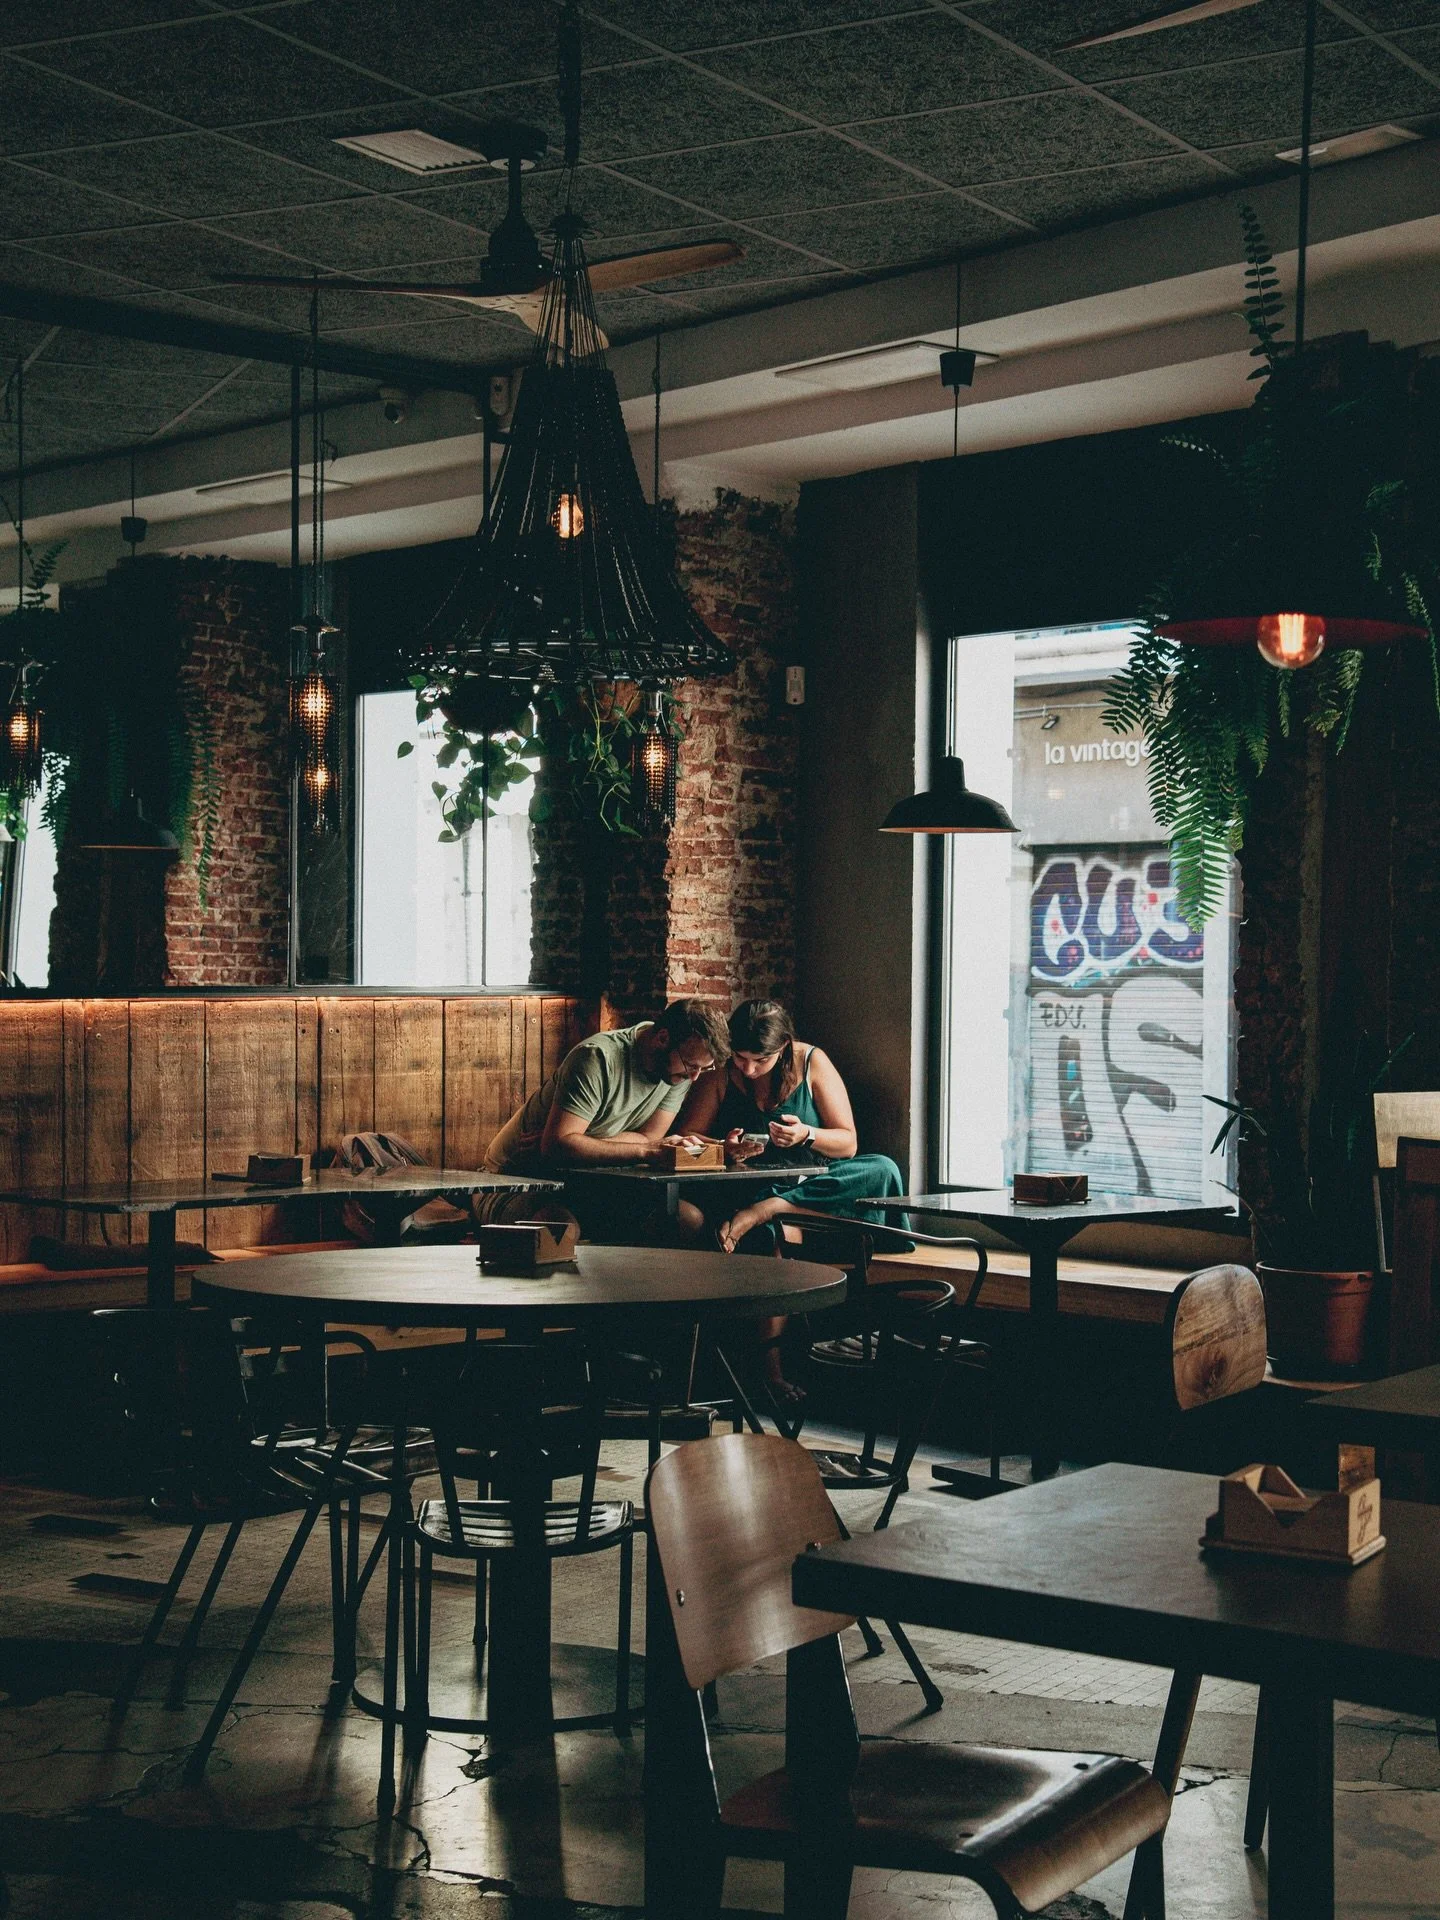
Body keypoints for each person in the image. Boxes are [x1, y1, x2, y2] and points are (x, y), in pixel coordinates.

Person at [675, 999, 905, 1400]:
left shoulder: (812, 1062)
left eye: (758, 1060)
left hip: (814, 1184)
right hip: (746, 1186)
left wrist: (807, 1136)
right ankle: (771, 1371)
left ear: (782, 1048)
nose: (746, 1068)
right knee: (771, 1235)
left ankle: (774, 1207)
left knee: (882, 1168)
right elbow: (688, 1141)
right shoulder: (722, 1074)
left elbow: (848, 1143)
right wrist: (725, 1148)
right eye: (740, 1057)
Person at [483, 999, 730, 1177]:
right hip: (513, 1175)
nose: (695, 1077)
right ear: (663, 1038)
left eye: (704, 1069)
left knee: (688, 1222)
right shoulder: (597, 1058)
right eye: (691, 1065)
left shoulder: (678, 1071)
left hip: (585, 1174)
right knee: (563, 1232)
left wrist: (579, 1142)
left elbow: (651, 1136)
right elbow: (556, 1148)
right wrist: (646, 1151)